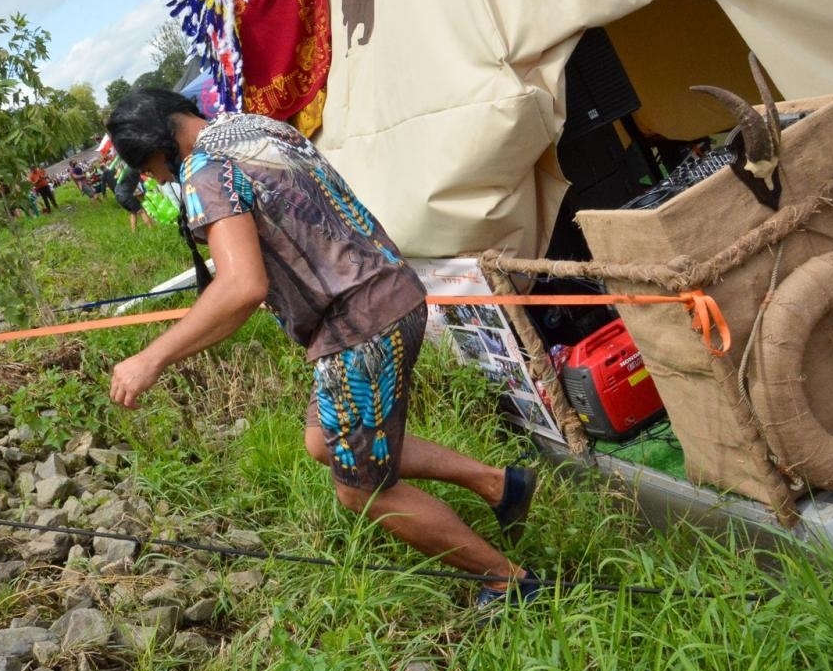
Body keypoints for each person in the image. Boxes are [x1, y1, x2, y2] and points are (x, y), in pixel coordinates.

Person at [103, 90, 539, 613]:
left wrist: (150, 358)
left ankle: (508, 581)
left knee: (360, 490)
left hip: (358, 326)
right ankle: (500, 485)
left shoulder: (205, 169)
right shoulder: (255, 127)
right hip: (390, 291)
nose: (154, 181)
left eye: (147, 169)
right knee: (322, 442)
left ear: (157, 148)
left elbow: (241, 286)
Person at [112, 164, 156, 233]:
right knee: (142, 211)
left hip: (118, 195)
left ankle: (134, 232)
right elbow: (147, 174)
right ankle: (151, 229)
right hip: (125, 194)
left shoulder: (127, 169)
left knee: (133, 212)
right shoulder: (135, 168)